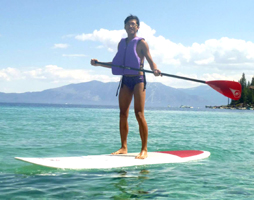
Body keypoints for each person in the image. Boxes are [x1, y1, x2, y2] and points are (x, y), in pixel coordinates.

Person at [91, 15, 161, 159]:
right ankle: (124, 147)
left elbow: (150, 60)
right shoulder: (121, 43)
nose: (131, 26)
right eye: (128, 24)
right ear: (124, 27)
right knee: (123, 114)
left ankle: (144, 149)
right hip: (125, 81)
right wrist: (99, 63)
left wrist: (155, 69)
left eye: (133, 24)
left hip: (138, 80)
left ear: (138, 27)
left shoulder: (141, 43)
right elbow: (116, 64)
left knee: (139, 114)